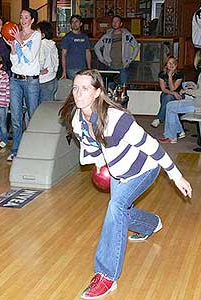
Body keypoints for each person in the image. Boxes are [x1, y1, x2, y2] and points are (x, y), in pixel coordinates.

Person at [59, 69, 192, 299]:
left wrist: (176, 175)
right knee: (119, 211)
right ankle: (151, 224)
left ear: (97, 92)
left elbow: (151, 146)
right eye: (75, 88)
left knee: (116, 208)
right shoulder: (77, 119)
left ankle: (107, 276)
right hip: (118, 172)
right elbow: (92, 148)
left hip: (144, 169)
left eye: (85, 89)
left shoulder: (116, 119)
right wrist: (101, 166)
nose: (78, 94)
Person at [160, 50, 201, 144]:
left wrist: (186, 91)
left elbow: (199, 93)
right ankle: (176, 133)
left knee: (170, 106)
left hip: (200, 104)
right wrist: (194, 86)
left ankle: (172, 136)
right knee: (171, 105)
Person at [5, 8, 41, 161]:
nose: (23, 19)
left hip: (31, 81)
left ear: (32, 20)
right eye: (21, 17)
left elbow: (31, 57)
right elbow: (15, 60)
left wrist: (19, 41)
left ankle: (33, 149)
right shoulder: (16, 34)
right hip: (15, 79)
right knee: (15, 116)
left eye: (26, 17)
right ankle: (15, 149)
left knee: (32, 116)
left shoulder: (36, 35)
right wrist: (13, 48)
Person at [94, 15, 139, 87]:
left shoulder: (127, 35)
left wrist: (130, 60)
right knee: (109, 88)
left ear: (121, 24)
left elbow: (136, 46)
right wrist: (102, 60)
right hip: (110, 66)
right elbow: (96, 47)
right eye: (113, 21)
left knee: (123, 88)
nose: (115, 23)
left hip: (123, 66)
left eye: (117, 21)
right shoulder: (107, 35)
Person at [151, 56, 184, 128]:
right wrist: (173, 93)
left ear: (176, 65)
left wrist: (170, 76)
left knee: (168, 98)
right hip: (166, 94)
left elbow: (173, 88)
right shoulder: (162, 74)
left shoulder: (179, 74)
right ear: (166, 64)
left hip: (178, 96)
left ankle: (159, 119)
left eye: (173, 63)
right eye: (169, 63)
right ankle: (163, 121)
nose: (171, 65)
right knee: (167, 97)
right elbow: (163, 89)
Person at [60, 14, 91, 80]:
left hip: (83, 68)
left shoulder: (85, 37)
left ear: (81, 23)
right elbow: (63, 55)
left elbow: (88, 53)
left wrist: (89, 68)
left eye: (76, 21)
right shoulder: (67, 37)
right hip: (71, 68)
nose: (74, 23)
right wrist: (64, 71)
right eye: (72, 22)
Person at [37, 20, 59, 102]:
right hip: (52, 78)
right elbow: (56, 59)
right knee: (48, 107)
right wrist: (54, 70)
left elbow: (41, 60)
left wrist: (38, 70)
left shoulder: (41, 44)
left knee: (41, 108)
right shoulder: (52, 44)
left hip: (43, 80)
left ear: (43, 34)